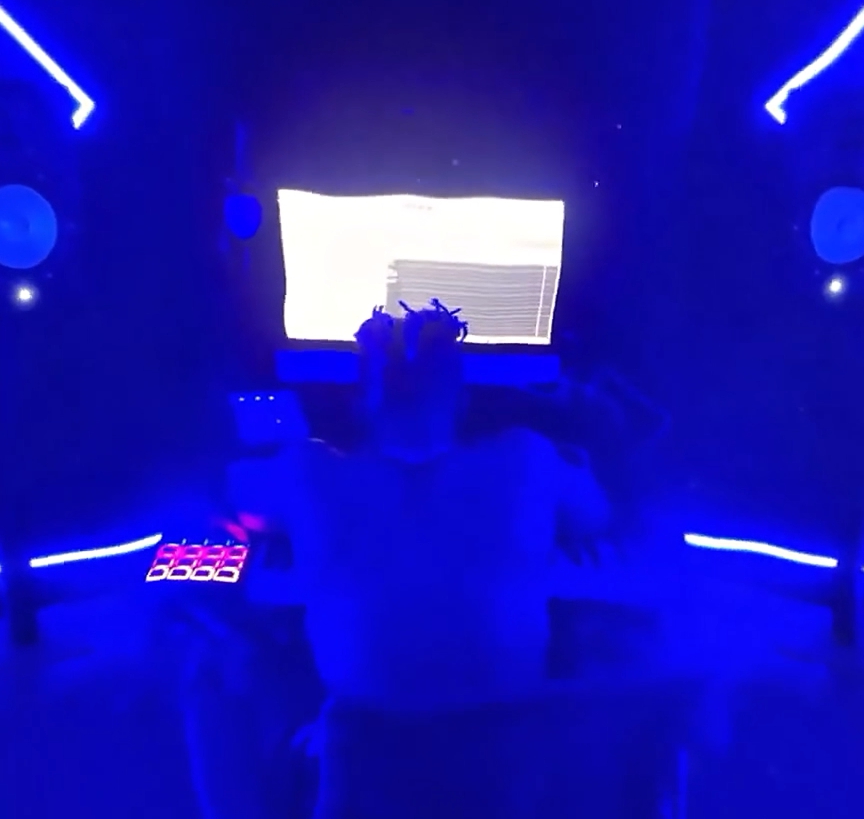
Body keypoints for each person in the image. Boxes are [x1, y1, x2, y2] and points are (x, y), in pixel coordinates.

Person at [229, 299, 612, 819]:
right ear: (463, 401)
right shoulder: (531, 458)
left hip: (362, 785)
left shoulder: (302, 469)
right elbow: (595, 517)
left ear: (362, 402)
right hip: (501, 781)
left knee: (213, 656)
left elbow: (244, 509)